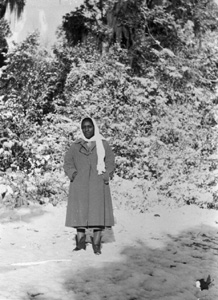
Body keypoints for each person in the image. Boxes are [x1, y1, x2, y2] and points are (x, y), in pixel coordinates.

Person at [64, 117, 115, 255]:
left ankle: (96, 244)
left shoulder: (103, 144)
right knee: (79, 214)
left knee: (97, 214)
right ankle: (80, 244)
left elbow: (110, 161)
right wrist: (73, 174)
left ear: (94, 127)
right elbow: (67, 162)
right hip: (79, 185)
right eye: (84, 127)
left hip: (97, 184)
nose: (87, 129)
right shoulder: (76, 145)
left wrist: (106, 174)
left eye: (89, 127)